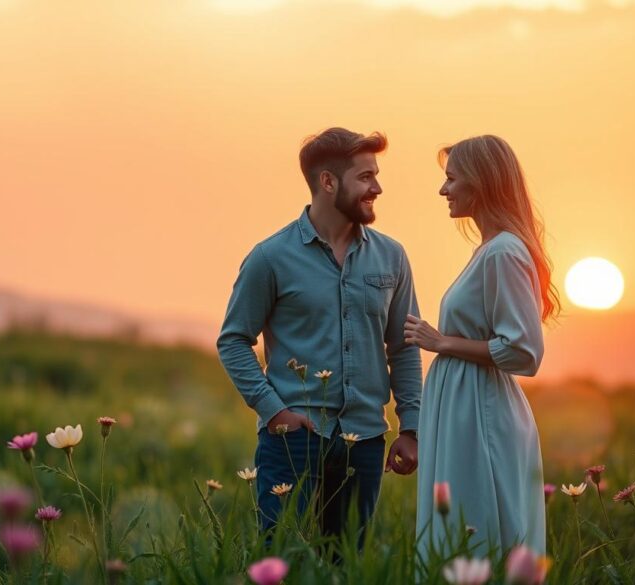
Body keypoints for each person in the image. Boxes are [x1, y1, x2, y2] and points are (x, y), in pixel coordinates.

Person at [217, 127, 422, 542]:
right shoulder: (270, 257)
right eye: (365, 177)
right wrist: (275, 412)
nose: (377, 188)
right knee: (285, 557)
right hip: (292, 442)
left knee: (348, 565)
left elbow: (403, 347)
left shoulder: (392, 256)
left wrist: (410, 427)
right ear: (328, 182)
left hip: (365, 441)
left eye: (376, 175)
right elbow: (233, 340)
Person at [403, 135, 560, 560]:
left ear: (482, 181)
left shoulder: (504, 252)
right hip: (463, 406)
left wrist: (442, 341)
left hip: (479, 410)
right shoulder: (489, 250)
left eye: (452, 178)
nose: (443, 190)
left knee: (477, 527)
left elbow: (524, 351)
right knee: (460, 526)